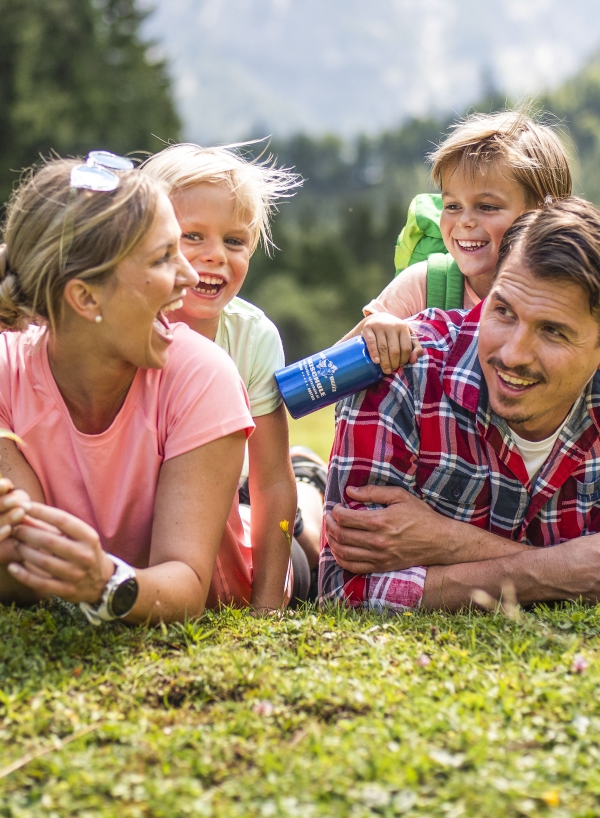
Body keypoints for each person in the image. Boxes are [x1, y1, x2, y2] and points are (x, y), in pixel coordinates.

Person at [0, 154, 254, 625]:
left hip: (243, 574)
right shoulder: (4, 376)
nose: (191, 275)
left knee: (301, 531)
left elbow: (187, 586)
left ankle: (307, 487)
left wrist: (103, 580)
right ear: (85, 297)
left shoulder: (204, 377)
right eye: (163, 258)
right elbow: (28, 566)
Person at [321, 197, 600, 611]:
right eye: (502, 311)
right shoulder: (401, 370)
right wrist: (558, 571)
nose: (513, 354)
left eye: (553, 332)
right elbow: (345, 590)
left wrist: (447, 541)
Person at [142, 143, 325, 609]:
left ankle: (313, 485)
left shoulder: (252, 337)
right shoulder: (127, 326)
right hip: (187, 500)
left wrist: (267, 606)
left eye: (234, 241)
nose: (215, 256)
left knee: (308, 558)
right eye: (193, 236)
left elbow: (270, 482)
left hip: (237, 496)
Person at [343, 111, 572, 373]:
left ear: (544, 213)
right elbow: (323, 375)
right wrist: (376, 330)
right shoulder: (424, 285)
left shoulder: (570, 292)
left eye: (486, 206)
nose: (464, 221)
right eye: (451, 205)